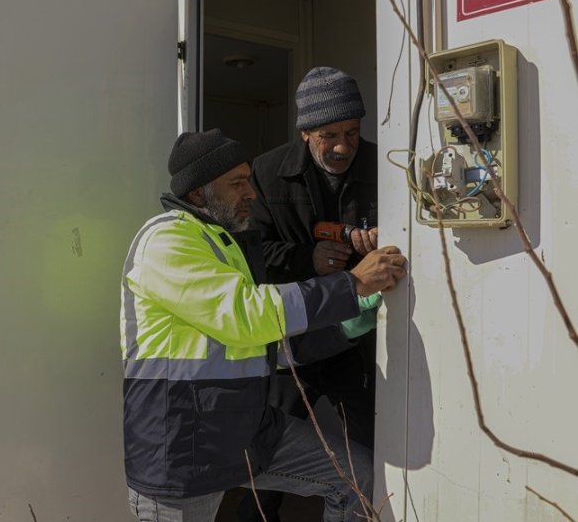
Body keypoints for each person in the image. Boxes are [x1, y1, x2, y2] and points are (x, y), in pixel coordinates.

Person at [121, 129, 407, 522]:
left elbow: (264, 343)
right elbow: (247, 317)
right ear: (197, 194)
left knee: (357, 474)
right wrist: (351, 284)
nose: (252, 194)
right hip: (183, 446)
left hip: (245, 429)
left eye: (248, 180)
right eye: (237, 183)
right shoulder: (168, 240)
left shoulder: (224, 244)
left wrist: (345, 325)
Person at [239, 67, 380, 521]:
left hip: (353, 340)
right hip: (290, 339)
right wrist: (307, 258)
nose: (343, 147)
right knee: (267, 456)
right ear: (304, 133)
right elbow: (248, 254)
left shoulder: (383, 166)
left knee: (369, 453)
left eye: (353, 133)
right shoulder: (265, 173)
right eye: (329, 134)